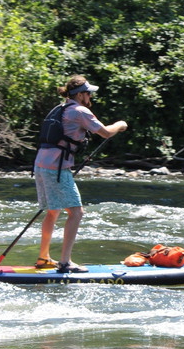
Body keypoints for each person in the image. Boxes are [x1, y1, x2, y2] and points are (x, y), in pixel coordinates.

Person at [34, 75, 127, 273]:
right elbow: (105, 132)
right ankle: (65, 262)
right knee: (76, 212)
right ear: (80, 95)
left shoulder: (59, 108)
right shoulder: (79, 110)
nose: (90, 96)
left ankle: (43, 257)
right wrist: (120, 125)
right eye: (88, 93)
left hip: (41, 165)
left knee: (53, 211)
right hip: (56, 169)